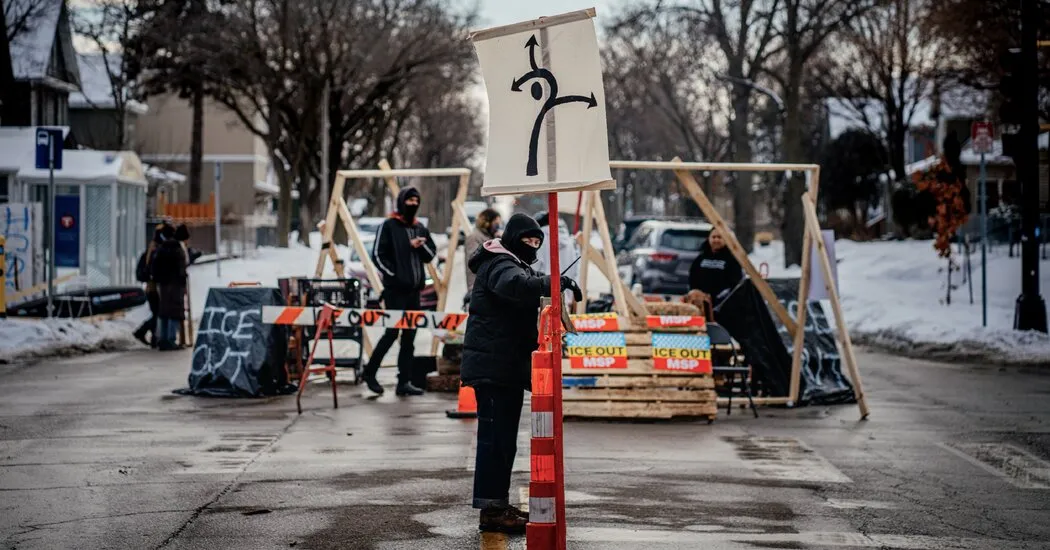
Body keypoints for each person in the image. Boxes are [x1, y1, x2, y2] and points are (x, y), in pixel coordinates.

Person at [461, 213, 581, 535]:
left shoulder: (510, 261)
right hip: (494, 368)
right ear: (514, 239)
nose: (532, 246)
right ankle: (492, 511)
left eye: (536, 242)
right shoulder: (500, 264)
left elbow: (524, 289)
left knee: (502, 442)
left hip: (503, 368)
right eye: (527, 241)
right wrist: (553, 283)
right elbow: (516, 286)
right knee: (495, 442)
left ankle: (496, 504)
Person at [363, 186, 437, 397]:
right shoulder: (389, 226)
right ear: (401, 202)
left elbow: (430, 254)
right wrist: (394, 275)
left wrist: (420, 246)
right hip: (396, 292)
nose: (413, 204)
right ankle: (370, 372)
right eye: (409, 200)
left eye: (416, 200)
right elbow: (378, 254)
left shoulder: (420, 227)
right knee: (391, 333)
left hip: (415, 292)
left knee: (409, 337)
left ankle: (403, 381)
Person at [151, 224, 188, 351]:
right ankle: (171, 339)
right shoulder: (177, 249)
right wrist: (183, 283)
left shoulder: (161, 249)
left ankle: (163, 339)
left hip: (163, 285)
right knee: (175, 312)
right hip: (175, 285)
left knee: (164, 312)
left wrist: (158, 280)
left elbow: (154, 267)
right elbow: (181, 269)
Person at [688, 229, 744, 307]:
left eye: (719, 237)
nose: (716, 240)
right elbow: (692, 276)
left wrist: (719, 297)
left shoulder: (732, 259)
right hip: (701, 302)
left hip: (724, 303)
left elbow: (735, 283)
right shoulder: (701, 258)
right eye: (713, 237)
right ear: (709, 239)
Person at [132, 224, 166, 348]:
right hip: (155, 287)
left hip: (150, 287)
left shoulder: (149, 251)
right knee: (159, 313)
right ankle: (142, 332)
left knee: (157, 312)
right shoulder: (157, 251)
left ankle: (152, 337)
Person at [463, 208, 501, 305]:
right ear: (487, 222)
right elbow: (474, 261)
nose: (497, 226)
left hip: (489, 286)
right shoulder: (474, 237)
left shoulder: (489, 236)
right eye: (496, 223)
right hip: (477, 286)